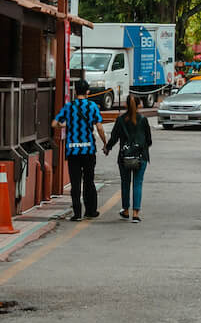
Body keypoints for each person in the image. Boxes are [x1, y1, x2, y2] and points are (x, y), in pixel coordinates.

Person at [52, 79, 106, 222]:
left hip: (73, 150)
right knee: (89, 180)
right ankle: (91, 211)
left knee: (75, 182)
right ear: (87, 91)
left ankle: (77, 213)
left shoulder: (69, 107)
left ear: (75, 91)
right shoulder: (92, 106)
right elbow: (99, 127)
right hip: (88, 150)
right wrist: (105, 143)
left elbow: (54, 123)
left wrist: (64, 125)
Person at [104, 93, 153, 223]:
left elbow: (114, 138)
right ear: (139, 105)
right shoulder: (143, 120)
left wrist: (107, 148)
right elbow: (149, 140)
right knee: (137, 183)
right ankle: (135, 213)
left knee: (125, 183)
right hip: (140, 156)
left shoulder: (120, 120)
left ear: (126, 104)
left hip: (124, 157)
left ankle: (125, 210)